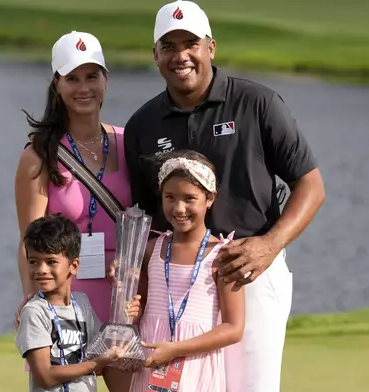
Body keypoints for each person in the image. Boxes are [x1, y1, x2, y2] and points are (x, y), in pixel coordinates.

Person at [123, 1, 326, 391]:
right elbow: (146, 217)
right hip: (176, 281)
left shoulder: (258, 104)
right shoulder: (142, 124)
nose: (180, 55)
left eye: (190, 44)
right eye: (168, 46)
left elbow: (311, 185)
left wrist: (269, 245)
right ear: (155, 55)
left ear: (210, 48)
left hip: (249, 269)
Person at [14, 30, 131, 323]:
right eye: (72, 78)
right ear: (57, 84)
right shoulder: (39, 154)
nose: (83, 88)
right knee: (68, 372)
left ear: (106, 80)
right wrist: (32, 300)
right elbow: (29, 239)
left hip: (124, 295)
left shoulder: (129, 142)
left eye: (92, 76)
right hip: (62, 297)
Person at [128, 150, 245, 392]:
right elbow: (138, 309)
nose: (179, 208)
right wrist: (129, 308)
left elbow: (234, 328)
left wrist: (176, 349)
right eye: (170, 197)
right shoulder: (151, 250)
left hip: (196, 367)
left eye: (189, 198)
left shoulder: (223, 256)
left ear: (209, 198)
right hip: (151, 363)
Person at [16, 214, 141, 392]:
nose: (41, 270)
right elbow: (45, 376)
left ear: (74, 266)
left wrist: (124, 309)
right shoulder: (34, 312)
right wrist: (97, 363)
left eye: (51, 262)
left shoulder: (81, 303)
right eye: (33, 262)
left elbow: (103, 346)